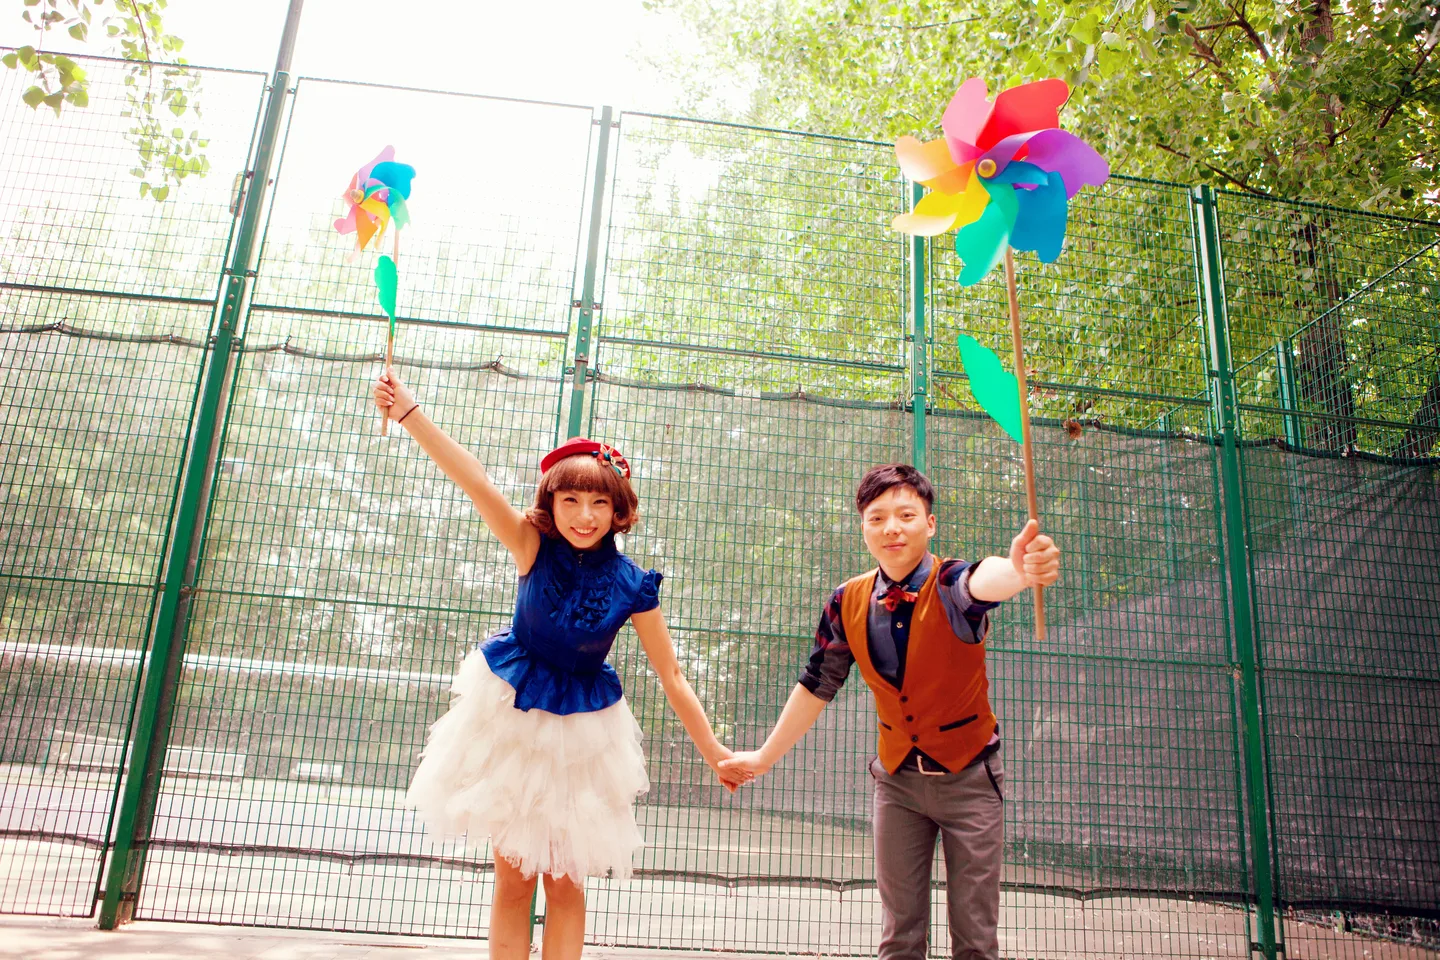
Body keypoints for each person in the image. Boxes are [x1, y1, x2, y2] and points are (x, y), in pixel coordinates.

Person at [372, 370, 741, 960]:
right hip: (513, 720)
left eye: (599, 502)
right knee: (514, 879)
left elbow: (671, 675)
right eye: (570, 500)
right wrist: (410, 413)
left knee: (567, 883)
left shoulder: (633, 584)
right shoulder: (531, 546)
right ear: (551, 503)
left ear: (618, 510)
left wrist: (716, 752)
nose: (584, 515)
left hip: (584, 735)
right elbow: (474, 480)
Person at [720, 463, 1060, 960]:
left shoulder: (950, 583)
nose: (891, 528)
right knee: (899, 937)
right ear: (863, 527)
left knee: (975, 939)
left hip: (970, 779)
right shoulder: (846, 601)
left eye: (906, 515)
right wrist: (763, 757)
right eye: (877, 518)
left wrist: (1020, 571)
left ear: (930, 523)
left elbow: (983, 580)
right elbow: (817, 683)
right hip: (897, 783)